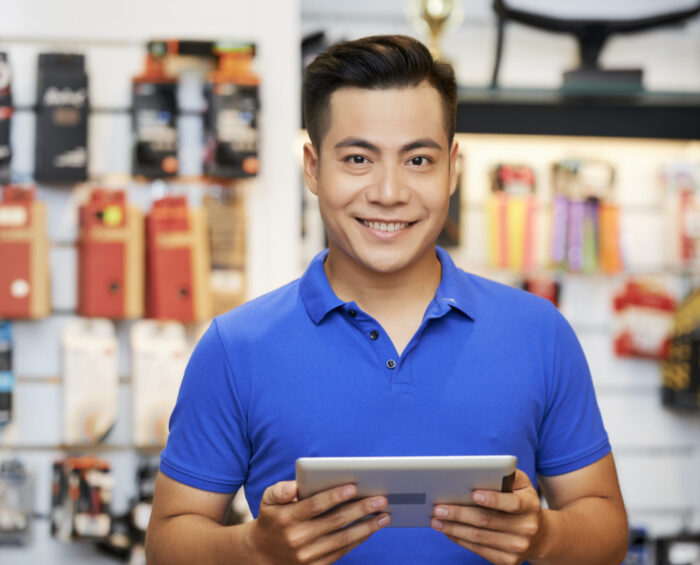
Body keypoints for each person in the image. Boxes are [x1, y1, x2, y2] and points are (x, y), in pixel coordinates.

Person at [146, 35, 628, 564]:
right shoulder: (235, 347)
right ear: (312, 167)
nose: (390, 192)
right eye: (358, 158)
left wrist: (544, 537)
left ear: (453, 168)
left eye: (418, 159)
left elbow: (604, 526)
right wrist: (253, 549)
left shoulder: (540, 333)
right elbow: (167, 544)